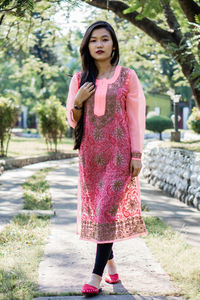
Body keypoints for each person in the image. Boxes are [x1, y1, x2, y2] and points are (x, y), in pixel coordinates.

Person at [66, 20, 147, 296]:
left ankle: (95, 275)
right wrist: (78, 99)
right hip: (90, 157)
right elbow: (73, 120)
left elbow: (135, 119)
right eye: (93, 40)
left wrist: (136, 154)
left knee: (105, 212)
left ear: (114, 45)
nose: (99, 45)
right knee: (104, 214)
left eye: (104, 39)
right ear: (87, 46)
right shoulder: (79, 79)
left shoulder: (127, 77)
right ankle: (112, 268)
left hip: (119, 156)